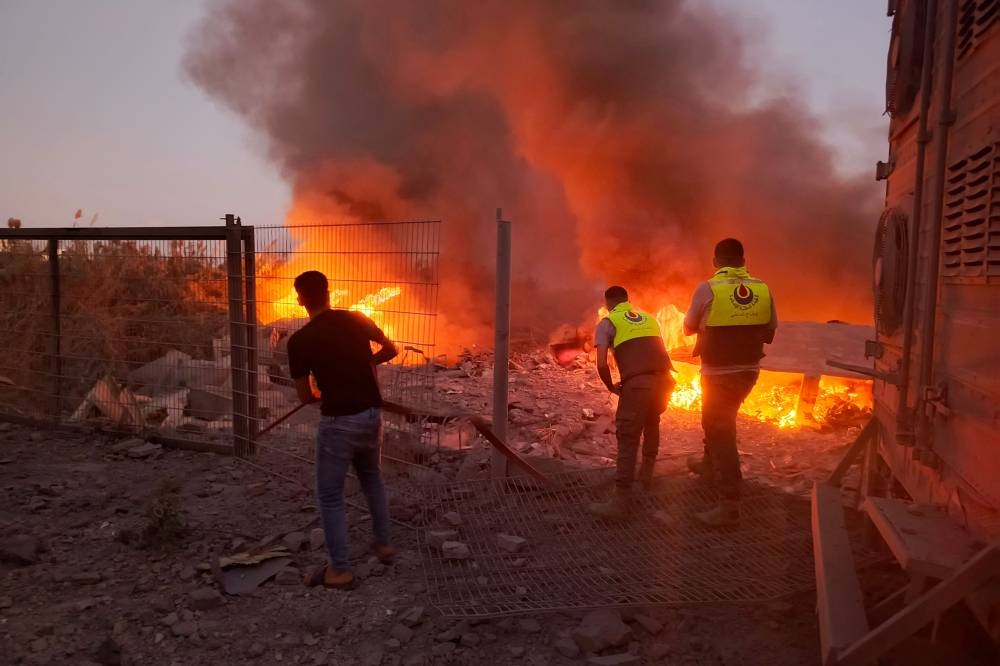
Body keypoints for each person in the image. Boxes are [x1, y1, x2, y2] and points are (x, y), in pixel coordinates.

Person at [286, 270, 399, 589]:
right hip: (371, 414)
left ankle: (340, 569)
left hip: (338, 422)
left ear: (301, 299)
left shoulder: (300, 341)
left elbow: (305, 396)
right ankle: (384, 544)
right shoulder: (355, 318)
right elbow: (391, 349)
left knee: (330, 495)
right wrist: (365, 366)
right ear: (329, 291)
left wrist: (324, 389)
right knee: (372, 478)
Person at [683, 238, 777, 526]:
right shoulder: (762, 288)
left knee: (721, 431)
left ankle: (729, 505)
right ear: (743, 261)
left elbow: (687, 328)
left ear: (716, 262)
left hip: (718, 373)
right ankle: (709, 466)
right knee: (715, 422)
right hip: (749, 371)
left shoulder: (708, 288)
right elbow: (770, 331)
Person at [589, 286, 674, 520]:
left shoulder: (608, 323)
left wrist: (610, 386)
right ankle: (646, 476)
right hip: (665, 380)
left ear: (608, 304)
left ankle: (621, 501)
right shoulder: (648, 318)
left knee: (627, 435)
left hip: (639, 383)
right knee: (651, 421)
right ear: (627, 300)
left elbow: (602, 364)